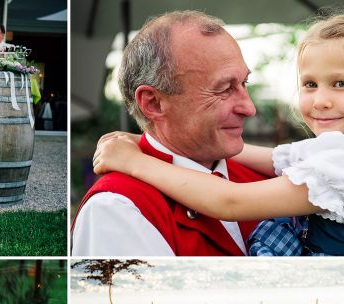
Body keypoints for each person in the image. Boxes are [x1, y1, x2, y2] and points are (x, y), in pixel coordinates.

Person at [92, 14, 344, 257]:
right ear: (153, 104)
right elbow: (269, 157)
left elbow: (229, 201)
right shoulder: (115, 208)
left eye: (340, 84)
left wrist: (135, 162)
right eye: (310, 84)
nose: (321, 100)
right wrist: (146, 143)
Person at [72, 11, 268, 256]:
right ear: (153, 103)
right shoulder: (117, 210)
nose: (249, 108)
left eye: (244, 83)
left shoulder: (265, 174)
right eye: (225, 89)